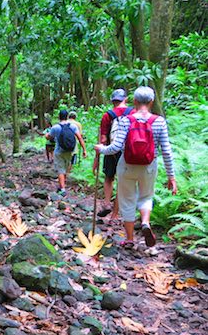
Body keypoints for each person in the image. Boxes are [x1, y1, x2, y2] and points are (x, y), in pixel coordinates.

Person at [95, 86, 177, 249]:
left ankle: (130, 238)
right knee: (146, 196)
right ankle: (145, 222)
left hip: (126, 166)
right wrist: (171, 176)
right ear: (152, 101)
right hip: (148, 166)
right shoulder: (159, 121)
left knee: (127, 201)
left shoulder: (127, 120)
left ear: (135, 101)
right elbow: (166, 151)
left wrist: (101, 149)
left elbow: (116, 147)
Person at [94, 89, 132, 219]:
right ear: (125, 99)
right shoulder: (133, 112)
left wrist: (97, 157)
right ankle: (115, 215)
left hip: (110, 151)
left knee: (109, 178)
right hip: (128, 153)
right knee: (122, 182)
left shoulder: (108, 115)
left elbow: (103, 140)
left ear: (112, 101)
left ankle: (106, 203)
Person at [46, 109, 87, 195]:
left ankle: (63, 189)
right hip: (70, 151)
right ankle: (62, 184)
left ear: (59, 117)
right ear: (67, 116)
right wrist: (84, 150)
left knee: (60, 170)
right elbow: (80, 138)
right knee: (65, 168)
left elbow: (49, 137)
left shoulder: (55, 127)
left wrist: (46, 135)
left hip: (59, 151)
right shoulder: (73, 126)